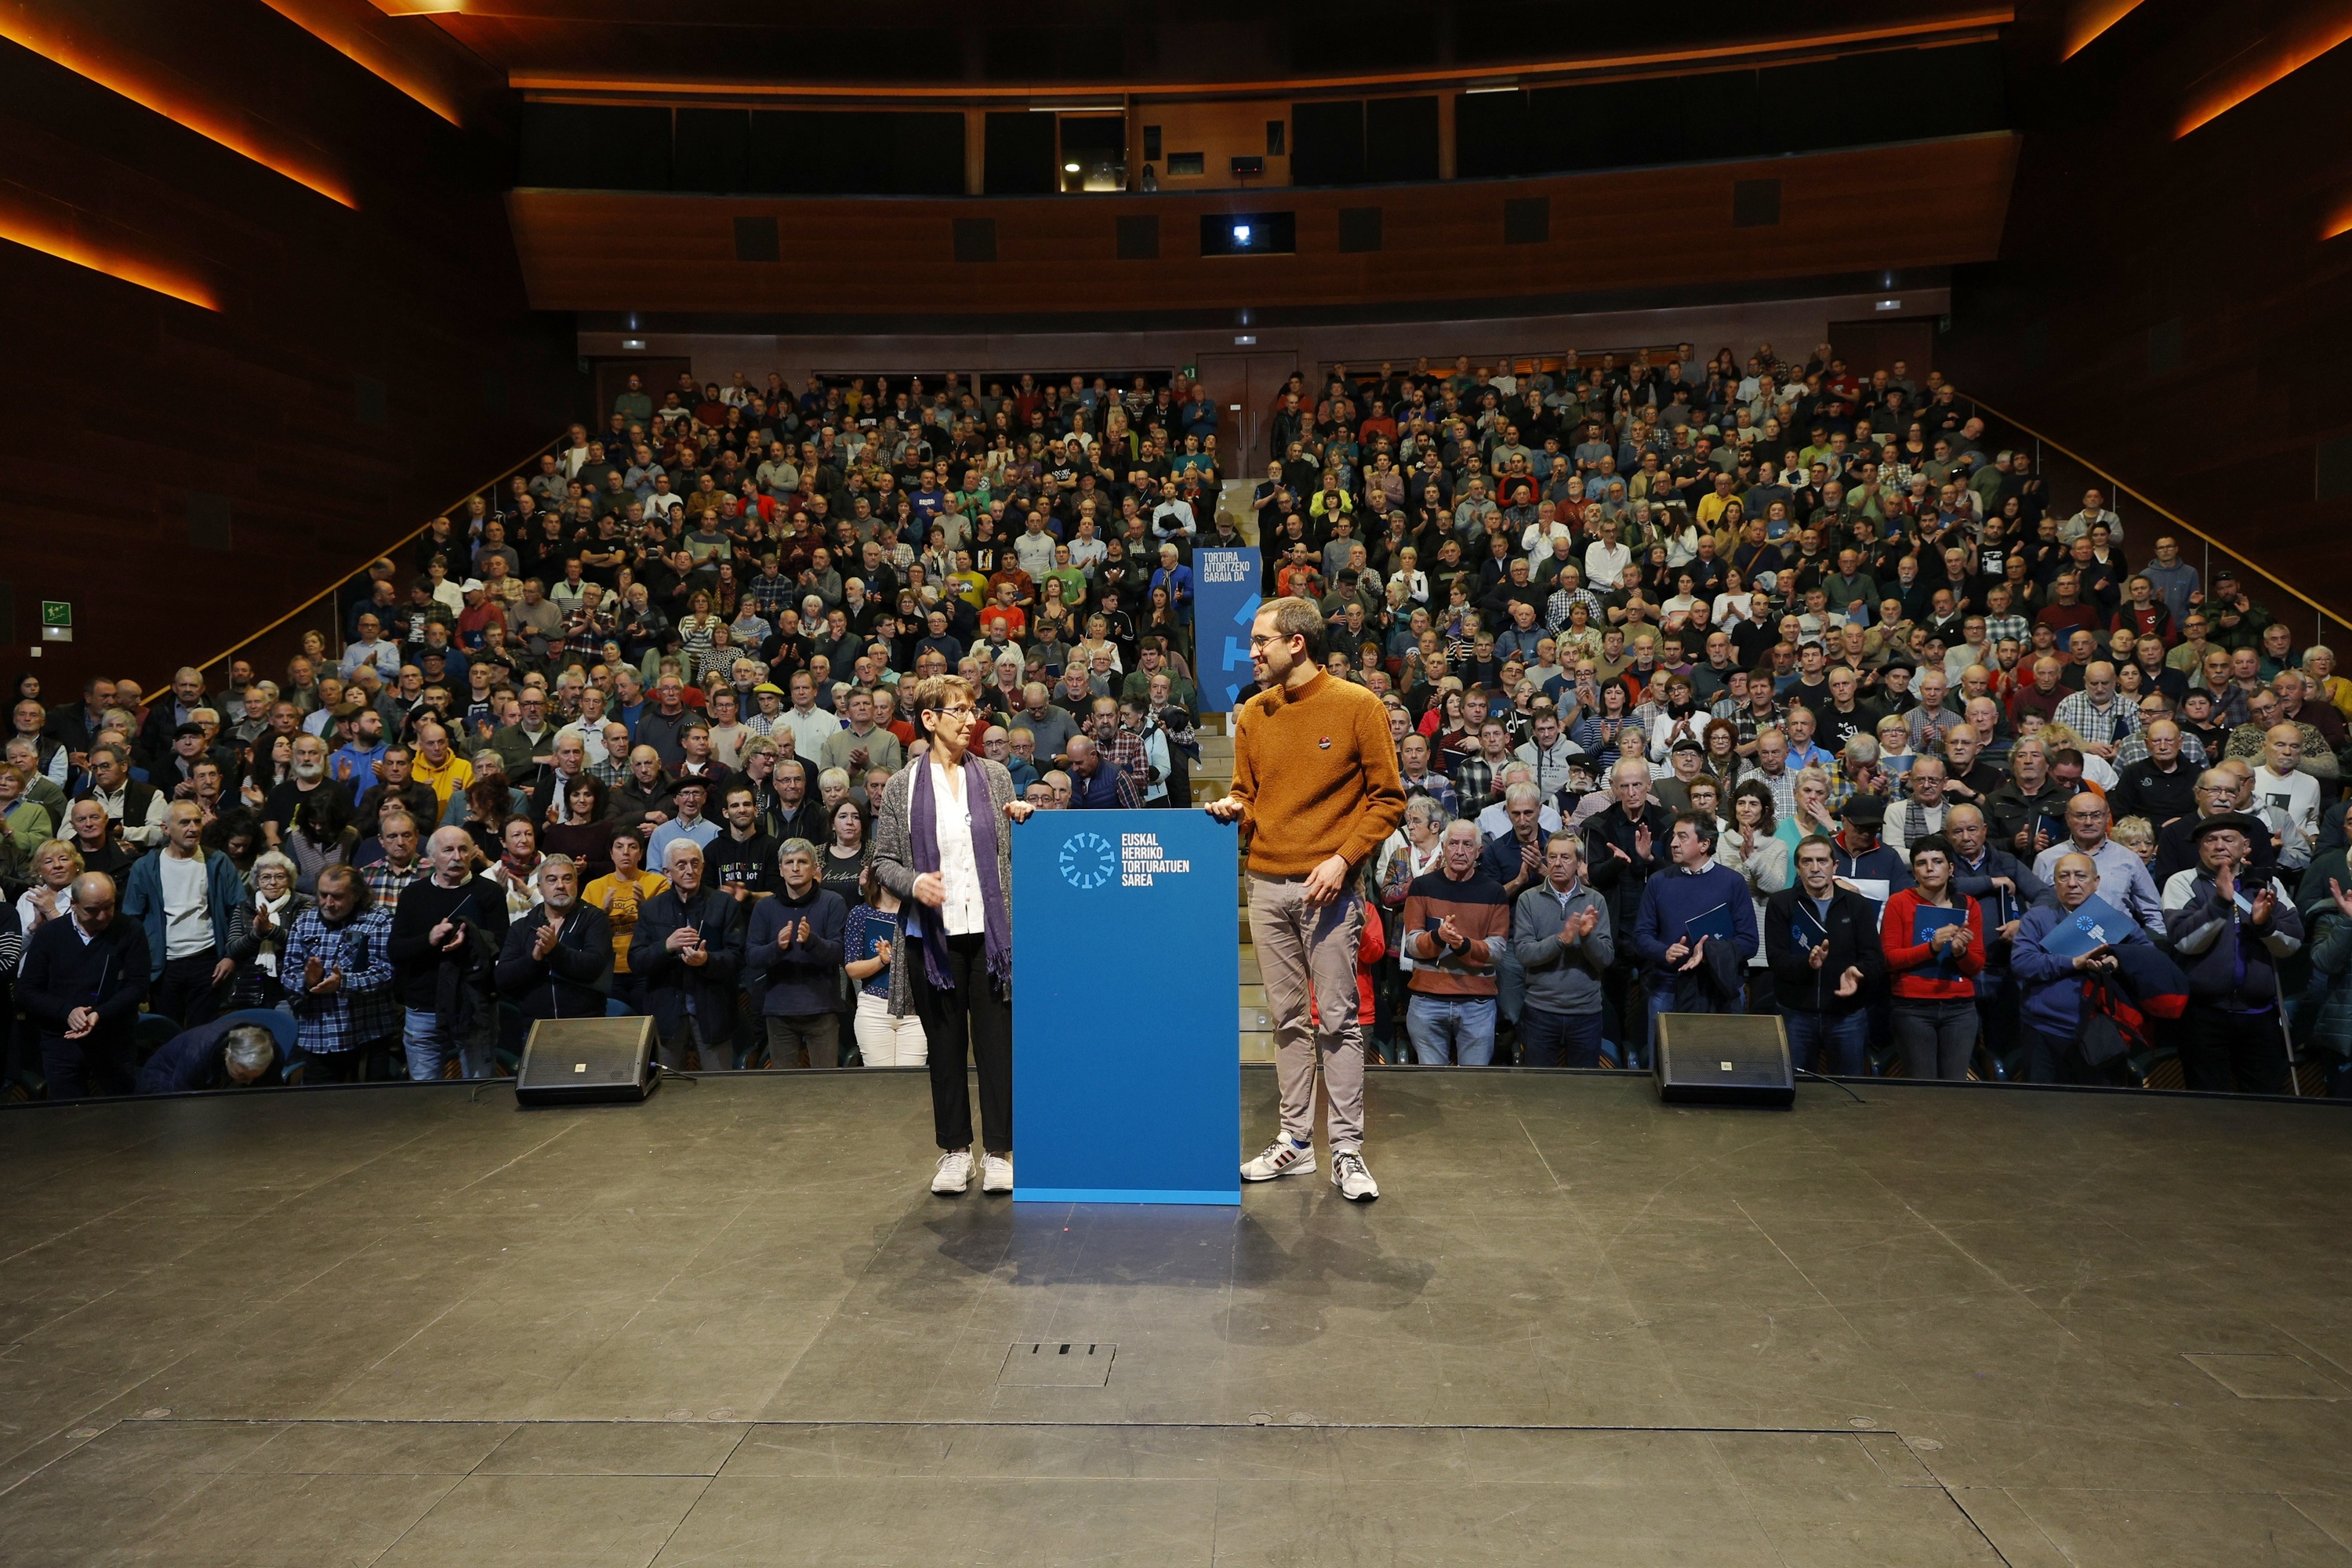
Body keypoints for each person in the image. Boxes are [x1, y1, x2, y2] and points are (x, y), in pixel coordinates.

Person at [1209, 596, 1406, 1202]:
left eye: (1260, 641)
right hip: (1265, 883)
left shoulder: (1357, 706)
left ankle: (1345, 1150)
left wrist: (1344, 860)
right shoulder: (1253, 714)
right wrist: (1231, 809)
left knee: (1340, 1021)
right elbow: (1248, 793)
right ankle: (1295, 1141)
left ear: (1297, 643)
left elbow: (1388, 800)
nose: (1252, 652)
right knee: (1290, 1019)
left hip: (1331, 887)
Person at [872, 674, 1032, 1196]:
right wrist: (915, 882)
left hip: (990, 937)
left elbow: (1013, 851)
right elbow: (884, 862)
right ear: (930, 719)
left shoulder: (996, 777)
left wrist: (1030, 822)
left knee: (997, 1048)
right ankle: (955, 1151)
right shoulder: (903, 785)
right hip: (932, 940)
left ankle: (1000, 1153)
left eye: (972, 710)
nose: (971, 720)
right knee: (944, 1049)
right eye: (959, 711)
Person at [2161, 811, 2302, 1094]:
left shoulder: (2268, 885)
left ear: (2245, 846)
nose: (2219, 845)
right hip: (2204, 1015)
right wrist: (2219, 904)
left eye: (2228, 839)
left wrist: (2265, 926)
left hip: (2260, 1015)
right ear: (2200, 848)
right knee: (2207, 1103)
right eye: (2210, 840)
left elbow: (2293, 943)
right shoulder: (2181, 882)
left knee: (2266, 1103)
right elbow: (2186, 942)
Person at [2012, 851, 2175, 1084]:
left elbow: (2147, 958)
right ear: (2055, 883)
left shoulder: (2116, 920)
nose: (2072, 883)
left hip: (2100, 1032)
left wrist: (2119, 961)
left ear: (2096, 882)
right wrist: (2073, 962)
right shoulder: (2038, 918)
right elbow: (2022, 963)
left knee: (2100, 1111)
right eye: (2063, 876)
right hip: (2045, 1030)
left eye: (2080, 876)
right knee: (2042, 1109)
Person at [1627, 810, 1759, 1054]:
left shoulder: (1732, 883)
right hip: (1668, 989)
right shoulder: (1658, 881)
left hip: (1720, 989)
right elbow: (1641, 937)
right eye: (1674, 836)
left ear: (1704, 844)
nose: (1673, 843)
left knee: (1722, 1068)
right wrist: (1664, 951)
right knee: (1666, 1068)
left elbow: (1749, 942)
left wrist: (1709, 953)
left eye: (1683, 837)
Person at [387, 825, 509, 1080]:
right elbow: (396, 950)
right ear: (431, 857)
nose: (457, 856)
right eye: (448, 850)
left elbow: (502, 944)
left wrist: (471, 940)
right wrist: (429, 939)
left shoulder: (490, 892)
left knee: (479, 1090)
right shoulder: (413, 895)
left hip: (473, 1005)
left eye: (463, 849)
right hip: (424, 1007)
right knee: (425, 1097)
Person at [16, 873, 150, 1099]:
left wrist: (100, 1013)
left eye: (109, 907)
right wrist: (66, 1012)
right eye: (92, 910)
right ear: (73, 905)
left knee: (122, 1112)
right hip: (61, 1041)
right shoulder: (51, 934)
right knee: (68, 1116)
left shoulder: (129, 929)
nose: (103, 916)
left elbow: (137, 985)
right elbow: (27, 991)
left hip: (113, 1039)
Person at [120, 800, 244, 1028]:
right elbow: (132, 921)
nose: (194, 828)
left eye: (197, 822)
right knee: (167, 1033)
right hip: (164, 965)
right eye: (185, 822)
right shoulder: (146, 867)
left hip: (208, 961)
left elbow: (239, 909)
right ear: (165, 828)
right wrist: (138, 969)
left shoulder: (216, 861)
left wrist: (231, 956)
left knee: (203, 1035)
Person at [1765, 833, 1882, 1075]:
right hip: (1796, 1015)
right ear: (1797, 868)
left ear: (1835, 866)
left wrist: (1858, 973)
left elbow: (1874, 958)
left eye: (1822, 861)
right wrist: (1807, 964)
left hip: (1846, 1016)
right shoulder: (1781, 903)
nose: (1815, 868)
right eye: (1807, 861)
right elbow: (1776, 960)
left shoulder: (1857, 905)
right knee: (1796, 1091)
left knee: (1849, 1092)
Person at [628, 840, 748, 1072]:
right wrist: (666, 946)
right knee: (666, 1091)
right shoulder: (651, 909)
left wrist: (707, 961)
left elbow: (738, 958)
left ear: (703, 867)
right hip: (667, 1014)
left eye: (695, 863)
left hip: (713, 1012)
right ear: (667, 872)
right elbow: (636, 961)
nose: (689, 870)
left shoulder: (725, 905)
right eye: (681, 865)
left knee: (720, 1091)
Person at [1399, 818, 1510, 1065]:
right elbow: (1413, 945)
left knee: (1472, 1089)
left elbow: (1497, 950)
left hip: (1477, 1005)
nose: (1460, 851)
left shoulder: (1494, 892)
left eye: (1468, 845)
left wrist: (1463, 945)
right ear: (1443, 846)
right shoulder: (1422, 887)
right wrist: (1439, 937)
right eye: (1454, 844)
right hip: (1427, 1001)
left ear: (1479, 851)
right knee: (1432, 1087)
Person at [280, 864, 400, 1083]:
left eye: (337, 896)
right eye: (323, 895)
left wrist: (343, 983)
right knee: (322, 1109)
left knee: (374, 1108)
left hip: (366, 1033)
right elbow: (288, 972)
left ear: (355, 895)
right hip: (319, 1036)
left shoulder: (378, 920)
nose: (328, 903)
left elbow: (386, 972)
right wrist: (307, 981)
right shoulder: (305, 922)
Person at [1879, 834, 1986, 1080]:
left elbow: (1977, 965)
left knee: (1955, 1084)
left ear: (1951, 869)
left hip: (1960, 1009)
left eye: (1937, 861)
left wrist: (1961, 953)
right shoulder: (1900, 902)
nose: (1929, 868)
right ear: (1914, 872)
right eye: (1921, 863)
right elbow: (1889, 959)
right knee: (1922, 1086)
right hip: (1913, 1009)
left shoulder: (1968, 905)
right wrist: (1932, 947)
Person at [1508, 832, 1613, 1067]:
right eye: (1552, 857)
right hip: (1540, 1011)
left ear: (1578, 862)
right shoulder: (1528, 900)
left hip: (1586, 1013)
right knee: (1539, 1089)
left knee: (1583, 1087)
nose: (1557, 863)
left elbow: (1605, 959)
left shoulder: (1595, 901)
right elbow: (1523, 954)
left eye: (1565, 857)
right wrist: (1561, 940)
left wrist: (1586, 938)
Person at [746, 838, 848, 1068]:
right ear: (780, 870)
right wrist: (777, 947)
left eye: (802, 861)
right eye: (789, 862)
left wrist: (811, 941)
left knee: (825, 1086)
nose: (795, 867)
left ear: (814, 868)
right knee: (785, 1088)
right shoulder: (765, 907)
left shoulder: (833, 902)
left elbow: (839, 952)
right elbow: (752, 957)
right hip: (779, 1010)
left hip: (822, 1008)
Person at [494, 855, 615, 1022]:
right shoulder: (522, 926)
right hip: (535, 1024)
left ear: (576, 884)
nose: (560, 886)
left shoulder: (594, 919)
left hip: (586, 1022)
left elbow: (594, 966)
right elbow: (502, 978)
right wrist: (534, 960)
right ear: (540, 888)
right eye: (552, 880)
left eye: (567, 879)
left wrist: (555, 950)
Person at [845, 862, 924, 1067]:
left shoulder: (920, 915)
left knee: (911, 1083)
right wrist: (881, 960)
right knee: (880, 1083)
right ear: (878, 877)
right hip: (874, 1008)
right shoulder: (860, 915)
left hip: (915, 1009)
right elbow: (852, 968)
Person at [583, 827, 664, 1015]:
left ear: (641, 853)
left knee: (648, 1026)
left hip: (646, 970)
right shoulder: (594, 887)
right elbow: (584, 932)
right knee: (618, 1032)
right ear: (611, 853)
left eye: (632, 847)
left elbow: (666, 928)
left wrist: (645, 907)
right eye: (619, 847)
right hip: (610, 972)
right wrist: (602, 913)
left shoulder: (658, 883)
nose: (626, 852)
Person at [136, 1018, 283, 1094]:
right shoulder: (197, 1055)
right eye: (243, 1076)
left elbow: (270, 1096)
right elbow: (180, 1103)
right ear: (227, 1054)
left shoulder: (272, 1054)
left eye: (255, 1077)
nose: (249, 1082)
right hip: (162, 1081)